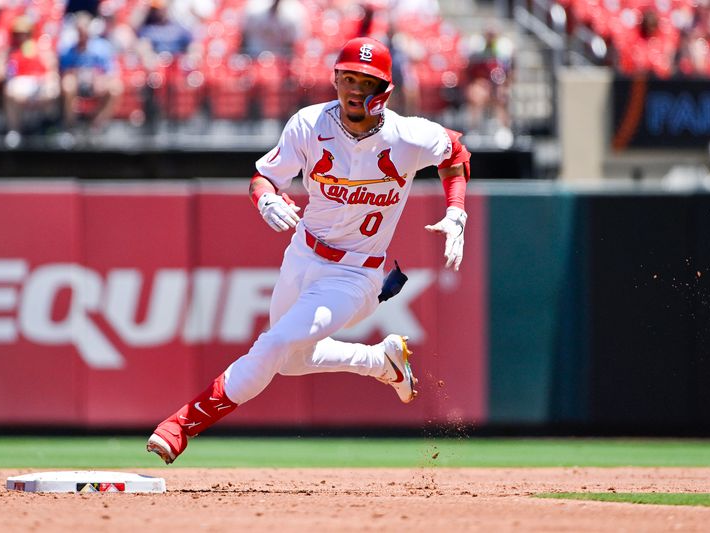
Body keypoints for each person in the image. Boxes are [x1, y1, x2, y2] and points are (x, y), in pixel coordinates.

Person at [146, 37, 471, 464]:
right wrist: (264, 199)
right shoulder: (308, 124)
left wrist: (457, 213)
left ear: (384, 91)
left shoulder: (408, 135)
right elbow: (264, 177)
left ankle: (181, 425)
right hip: (302, 255)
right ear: (335, 79)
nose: (354, 90)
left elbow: (455, 153)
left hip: (357, 274)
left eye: (366, 82)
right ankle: (380, 362)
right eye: (347, 78)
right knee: (289, 360)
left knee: (275, 344)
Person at [0, 16, 61, 147]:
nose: (21, 37)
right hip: (18, 84)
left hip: (38, 84)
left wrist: (48, 81)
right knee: (10, 90)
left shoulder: (41, 49)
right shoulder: (8, 52)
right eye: (18, 34)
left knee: (53, 89)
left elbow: (52, 70)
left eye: (25, 33)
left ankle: (49, 129)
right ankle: (14, 131)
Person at [58, 12, 122, 132]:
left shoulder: (102, 47)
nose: (82, 34)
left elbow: (111, 72)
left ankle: (97, 123)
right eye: (79, 31)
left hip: (97, 83)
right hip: (78, 82)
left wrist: (100, 79)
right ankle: (70, 125)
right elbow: (65, 72)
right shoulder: (68, 50)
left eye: (84, 30)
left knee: (115, 87)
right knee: (68, 84)